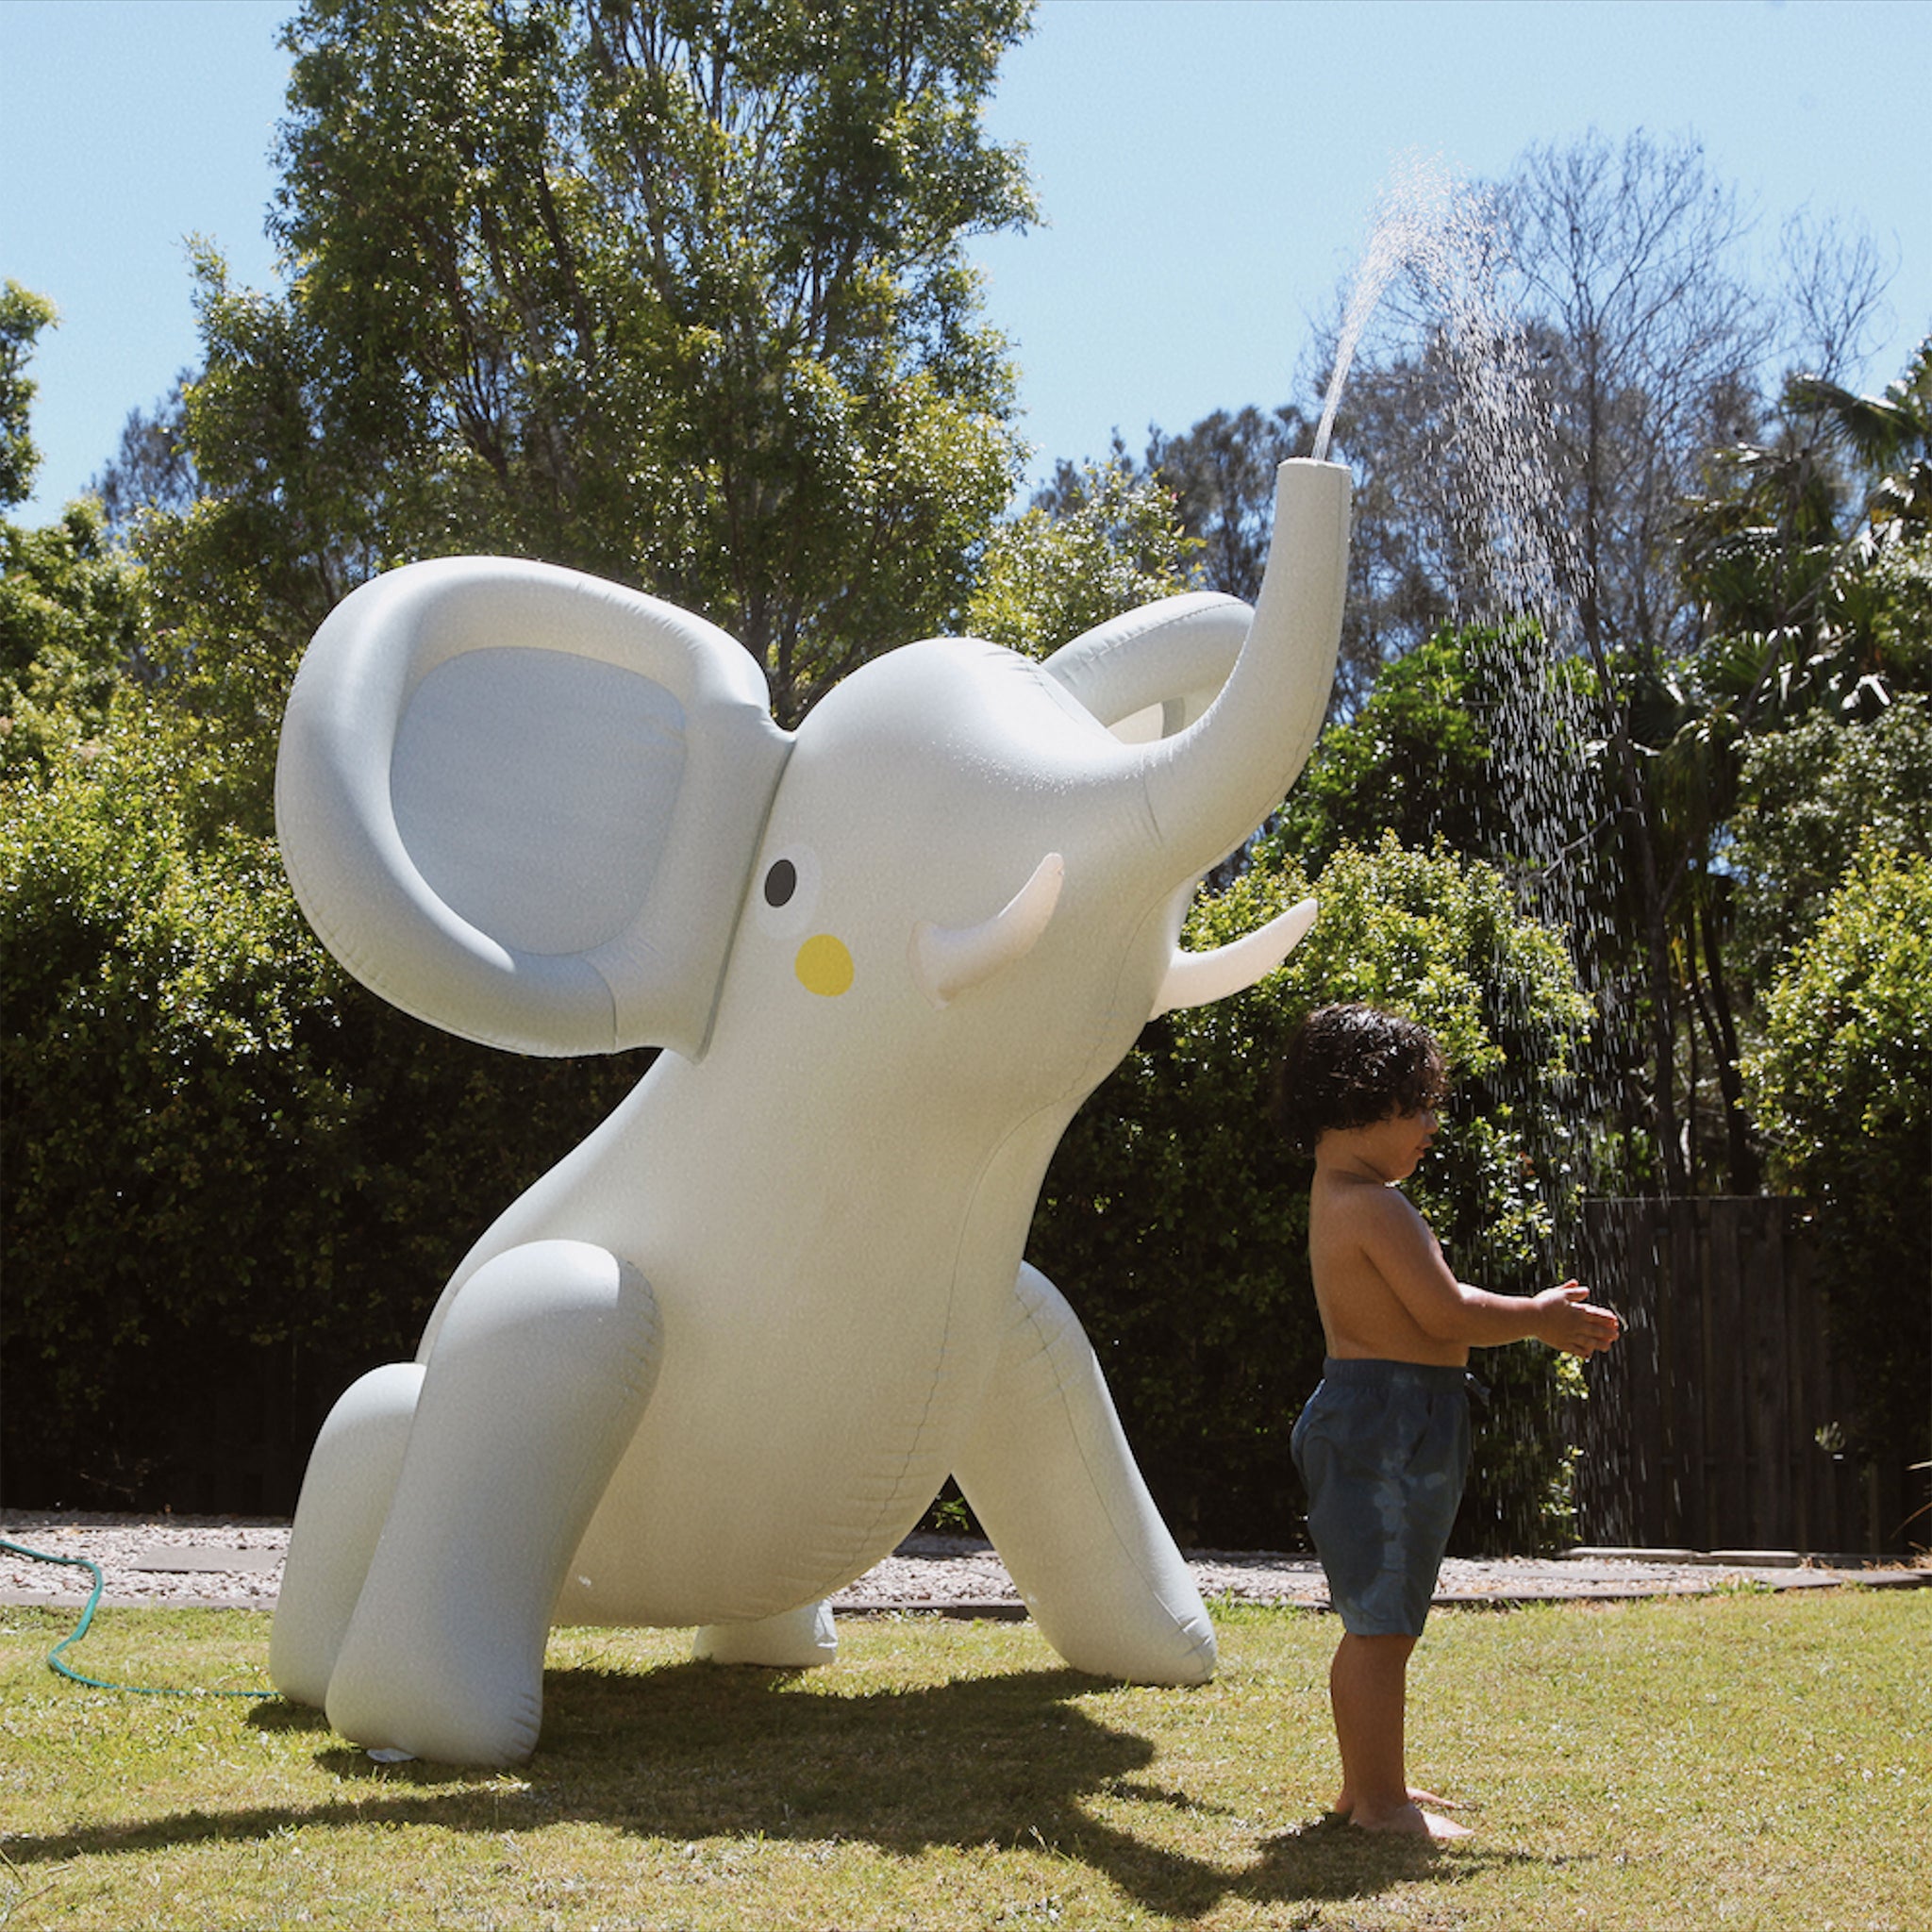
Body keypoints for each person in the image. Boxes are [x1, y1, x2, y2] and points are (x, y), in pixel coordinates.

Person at [1274, 1003, 1621, 1840]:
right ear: (1359, 1104)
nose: (1432, 1124)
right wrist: (1539, 1316)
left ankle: (1370, 1790)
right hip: (1384, 1422)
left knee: (1384, 1619)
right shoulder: (1372, 1204)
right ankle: (1382, 1807)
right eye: (1416, 1105)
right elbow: (1445, 1312)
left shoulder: (1347, 1194)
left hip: (1389, 1416)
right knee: (1381, 1626)